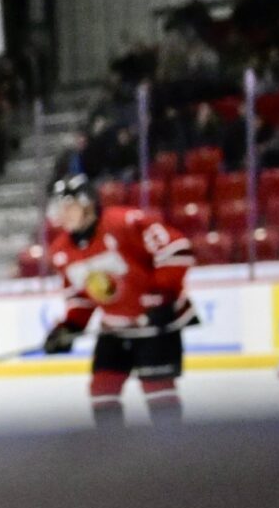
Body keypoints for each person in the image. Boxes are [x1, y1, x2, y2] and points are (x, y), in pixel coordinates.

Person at [40, 176, 197, 426]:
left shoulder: (125, 222)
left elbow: (176, 249)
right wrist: (68, 327)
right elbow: (81, 299)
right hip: (114, 328)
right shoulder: (61, 251)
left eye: (69, 206)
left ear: (88, 204)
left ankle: (172, 446)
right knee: (102, 389)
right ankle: (112, 446)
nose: (63, 214)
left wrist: (161, 297)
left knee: (157, 388)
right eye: (58, 208)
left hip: (154, 323)